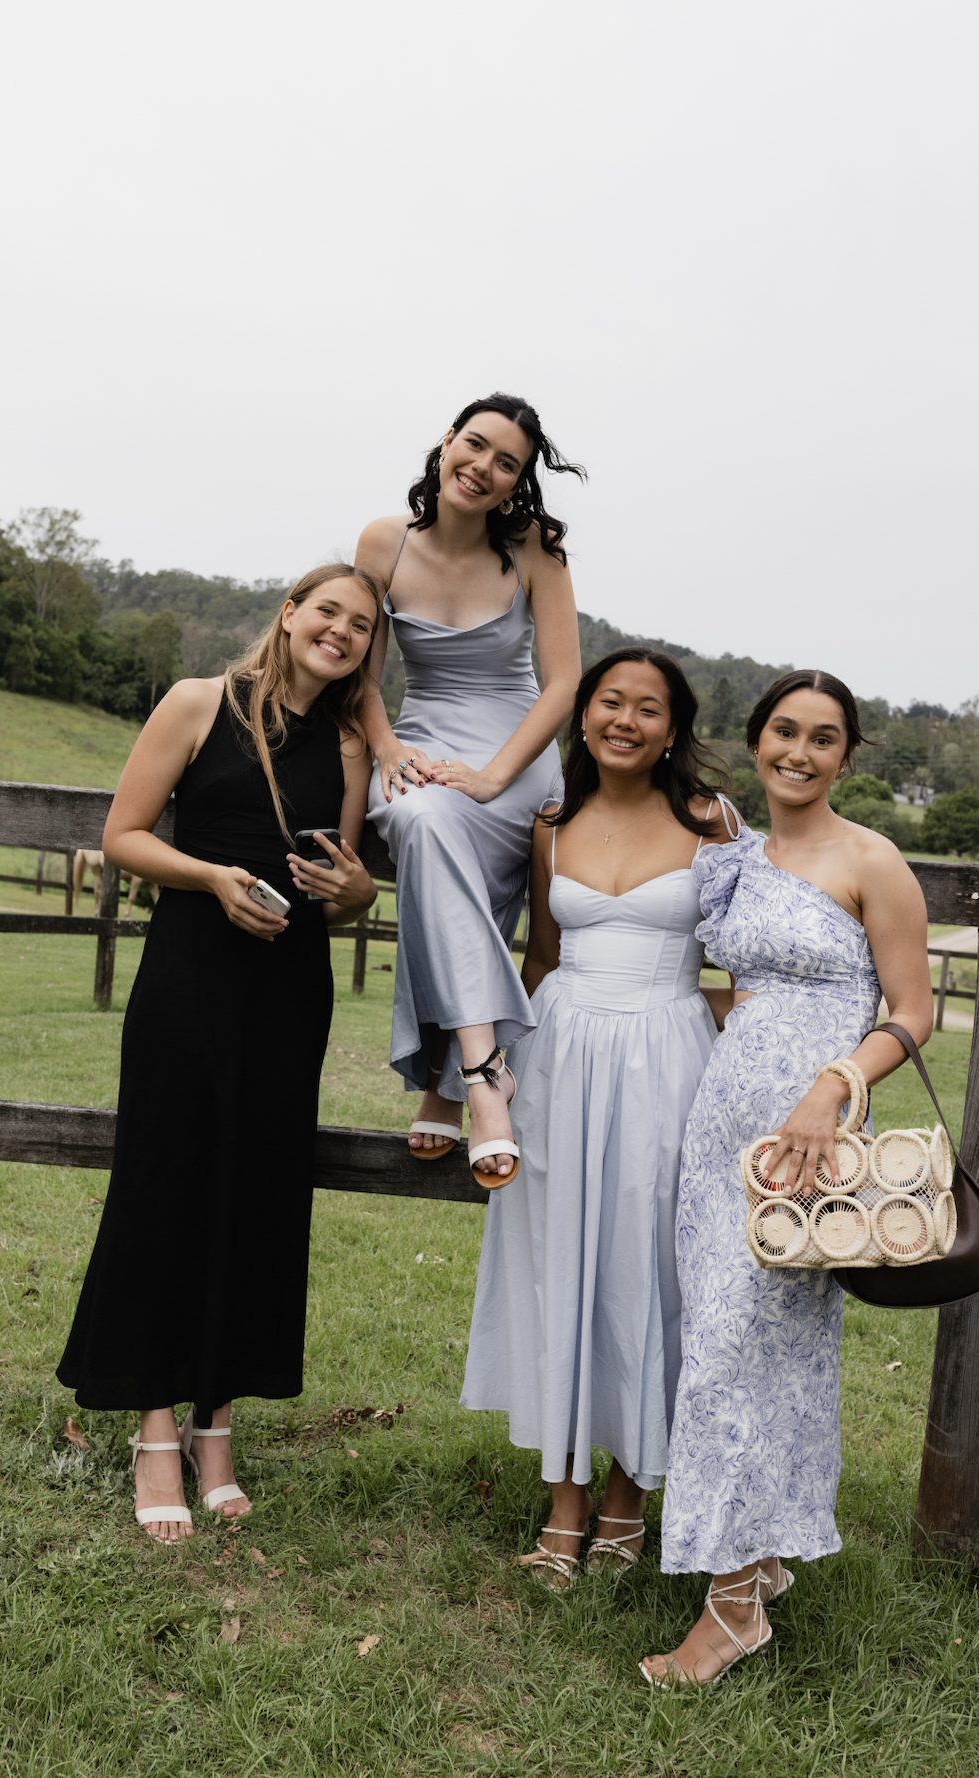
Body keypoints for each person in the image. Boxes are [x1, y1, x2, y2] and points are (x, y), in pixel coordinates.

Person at [57, 565, 382, 1543]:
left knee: (258, 1191)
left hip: (290, 988)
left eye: (362, 626)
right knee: (170, 1182)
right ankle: (154, 1426)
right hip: (191, 974)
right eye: (328, 610)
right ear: (289, 613)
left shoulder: (352, 741)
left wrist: (360, 891)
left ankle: (217, 1425)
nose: (341, 631)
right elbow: (121, 835)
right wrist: (208, 876)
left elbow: (344, 880)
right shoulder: (199, 703)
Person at [641, 669, 934, 1685]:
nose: (798, 752)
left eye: (822, 737)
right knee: (721, 1340)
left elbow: (913, 1008)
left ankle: (728, 1611)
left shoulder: (873, 858)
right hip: (720, 1124)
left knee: (745, 1349)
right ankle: (757, 1554)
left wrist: (837, 1079)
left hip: (810, 1132)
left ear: (846, 755)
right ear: (756, 738)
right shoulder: (737, 856)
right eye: (782, 731)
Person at [461, 648, 742, 1585]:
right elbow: (538, 959)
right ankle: (565, 1496)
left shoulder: (713, 827)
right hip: (563, 1058)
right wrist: (493, 1081)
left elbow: (747, 977)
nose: (626, 720)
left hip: (672, 1057)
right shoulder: (550, 825)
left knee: (652, 1265)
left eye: (648, 708)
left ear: (674, 728)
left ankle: (631, 1491)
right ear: (582, 718)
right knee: (561, 1266)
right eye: (609, 702)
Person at [354, 393, 583, 1187]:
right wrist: (385, 746)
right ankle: (480, 1078)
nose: (483, 468)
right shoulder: (384, 541)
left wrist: (494, 776)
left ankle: (454, 1085)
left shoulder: (532, 549)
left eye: (506, 463)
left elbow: (563, 685)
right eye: (475, 446)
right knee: (420, 822)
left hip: (516, 753)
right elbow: (361, 665)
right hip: (419, 744)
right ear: (448, 441)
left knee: (440, 846)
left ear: (519, 481)